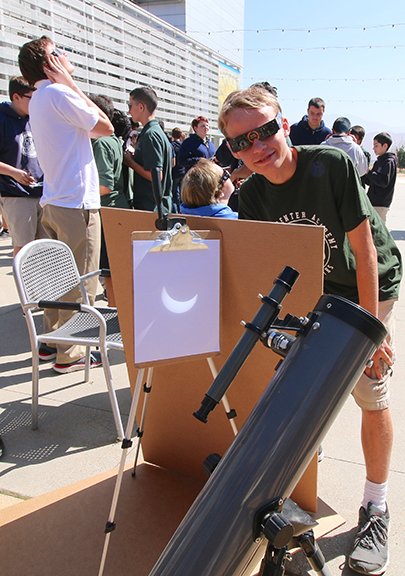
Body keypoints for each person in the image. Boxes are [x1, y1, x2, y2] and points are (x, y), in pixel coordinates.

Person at [218, 86, 402, 576]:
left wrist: (370, 331)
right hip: (317, 292)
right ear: (233, 149)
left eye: (264, 130)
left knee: (368, 388)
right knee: (299, 394)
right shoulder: (252, 194)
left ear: (285, 123)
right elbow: (272, 266)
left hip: (368, 282)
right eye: (241, 142)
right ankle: (290, 503)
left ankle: (376, 508)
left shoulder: (331, 164)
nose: (257, 145)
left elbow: (363, 253)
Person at [18, 35, 114, 373]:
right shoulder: (59, 93)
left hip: (55, 199)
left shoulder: (40, 99)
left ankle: (51, 343)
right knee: (82, 282)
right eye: (58, 52)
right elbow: (105, 126)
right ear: (49, 64)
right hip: (76, 202)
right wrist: (71, 82)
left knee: (58, 278)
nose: (66, 54)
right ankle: (70, 354)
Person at [89, 94, 130, 307]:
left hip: (107, 211)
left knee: (109, 270)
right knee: (116, 267)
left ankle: (115, 315)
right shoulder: (114, 140)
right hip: (119, 208)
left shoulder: (101, 143)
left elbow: (104, 186)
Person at [0, 76, 45, 257]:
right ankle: (25, 286)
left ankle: (43, 286)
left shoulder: (34, 118)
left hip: (42, 191)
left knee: (46, 248)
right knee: (24, 248)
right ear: (16, 96)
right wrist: (13, 173)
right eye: (31, 97)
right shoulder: (2, 118)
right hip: (16, 193)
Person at [124, 86, 173, 213]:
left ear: (141, 107)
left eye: (130, 106)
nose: (129, 111)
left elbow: (155, 175)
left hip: (152, 207)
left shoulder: (150, 134)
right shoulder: (154, 132)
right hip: (156, 206)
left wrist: (130, 162)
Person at [362, 133, 398, 224]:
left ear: (385, 146)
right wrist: (363, 174)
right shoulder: (379, 161)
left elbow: (384, 182)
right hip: (373, 201)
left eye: (376, 145)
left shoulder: (389, 162)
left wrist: (369, 173)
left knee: (379, 231)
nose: (374, 148)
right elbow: (372, 182)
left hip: (381, 203)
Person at [170, 127, 186, 212]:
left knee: (174, 195)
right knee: (182, 194)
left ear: (172, 135)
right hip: (182, 172)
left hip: (174, 173)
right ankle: (182, 210)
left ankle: (175, 211)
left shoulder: (171, 145)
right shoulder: (183, 146)